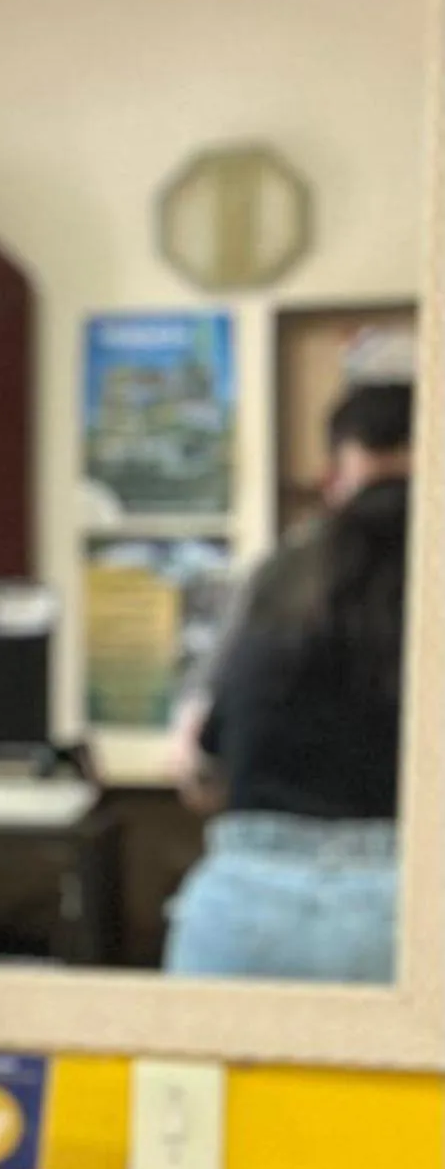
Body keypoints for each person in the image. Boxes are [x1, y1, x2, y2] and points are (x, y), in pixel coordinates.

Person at [168, 381, 412, 982]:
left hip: (240, 907)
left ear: (336, 474)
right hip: (408, 911)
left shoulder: (283, 571)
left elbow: (193, 767)